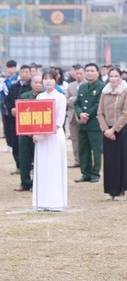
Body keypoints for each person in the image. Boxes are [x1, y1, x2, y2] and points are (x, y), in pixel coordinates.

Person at [31, 70, 68, 211]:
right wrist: (35, 134)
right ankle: (41, 201)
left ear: (56, 80)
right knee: (42, 167)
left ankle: (55, 202)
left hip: (54, 136)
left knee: (54, 167)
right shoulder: (40, 97)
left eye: (51, 79)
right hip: (41, 138)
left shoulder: (60, 97)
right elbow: (36, 118)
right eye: (45, 79)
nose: (48, 81)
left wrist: (43, 134)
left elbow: (59, 121)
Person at [97, 67, 127, 201]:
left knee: (121, 161)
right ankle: (111, 190)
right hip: (107, 131)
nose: (113, 79)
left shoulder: (126, 92)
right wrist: (105, 129)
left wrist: (114, 130)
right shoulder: (104, 92)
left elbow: (126, 113)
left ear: (120, 77)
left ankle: (121, 191)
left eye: (116, 76)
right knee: (109, 161)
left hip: (121, 130)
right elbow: (99, 113)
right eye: (111, 76)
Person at [75, 63, 106, 184]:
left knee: (96, 150)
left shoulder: (102, 87)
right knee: (83, 149)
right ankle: (85, 173)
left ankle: (95, 173)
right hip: (82, 123)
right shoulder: (82, 87)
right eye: (87, 71)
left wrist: (87, 114)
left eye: (92, 70)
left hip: (94, 123)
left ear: (97, 73)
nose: (89, 73)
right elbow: (77, 103)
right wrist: (80, 113)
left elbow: (99, 104)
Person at [15, 73, 42, 192]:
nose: (38, 85)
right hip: (25, 133)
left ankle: (38, 183)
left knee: (39, 158)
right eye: (35, 82)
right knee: (24, 158)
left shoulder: (46, 97)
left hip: (41, 134)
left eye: (40, 82)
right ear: (31, 84)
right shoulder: (24, 96)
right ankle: (25, 182)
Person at [64, 64, 83, 168]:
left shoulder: (86, 85)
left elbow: (84, 101)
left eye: (80, 73)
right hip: (72, 116)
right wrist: (74, 101)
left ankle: (85, 160)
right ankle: (77, 160)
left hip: (83, 116)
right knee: (74, 139)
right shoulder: (70, 85)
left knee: (84, 140)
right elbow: (66, 99)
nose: (79, 75)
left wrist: (74, 99)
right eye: (77, 73)